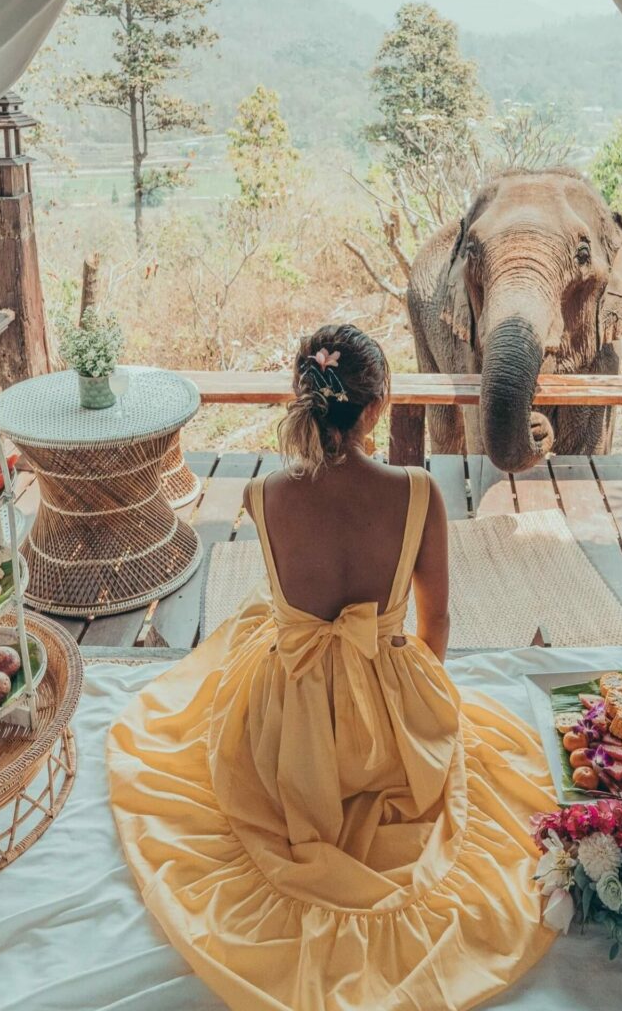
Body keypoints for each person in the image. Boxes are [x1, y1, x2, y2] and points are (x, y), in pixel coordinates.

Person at [108, 325, 559, 1010]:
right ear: (379, 406)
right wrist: (412, 712)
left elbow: (298, 605)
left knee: (253, 631)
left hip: (296, 731)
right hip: (391, 716)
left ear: (303, 396)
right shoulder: (418, 493)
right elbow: (435, 623)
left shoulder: (266, 498)